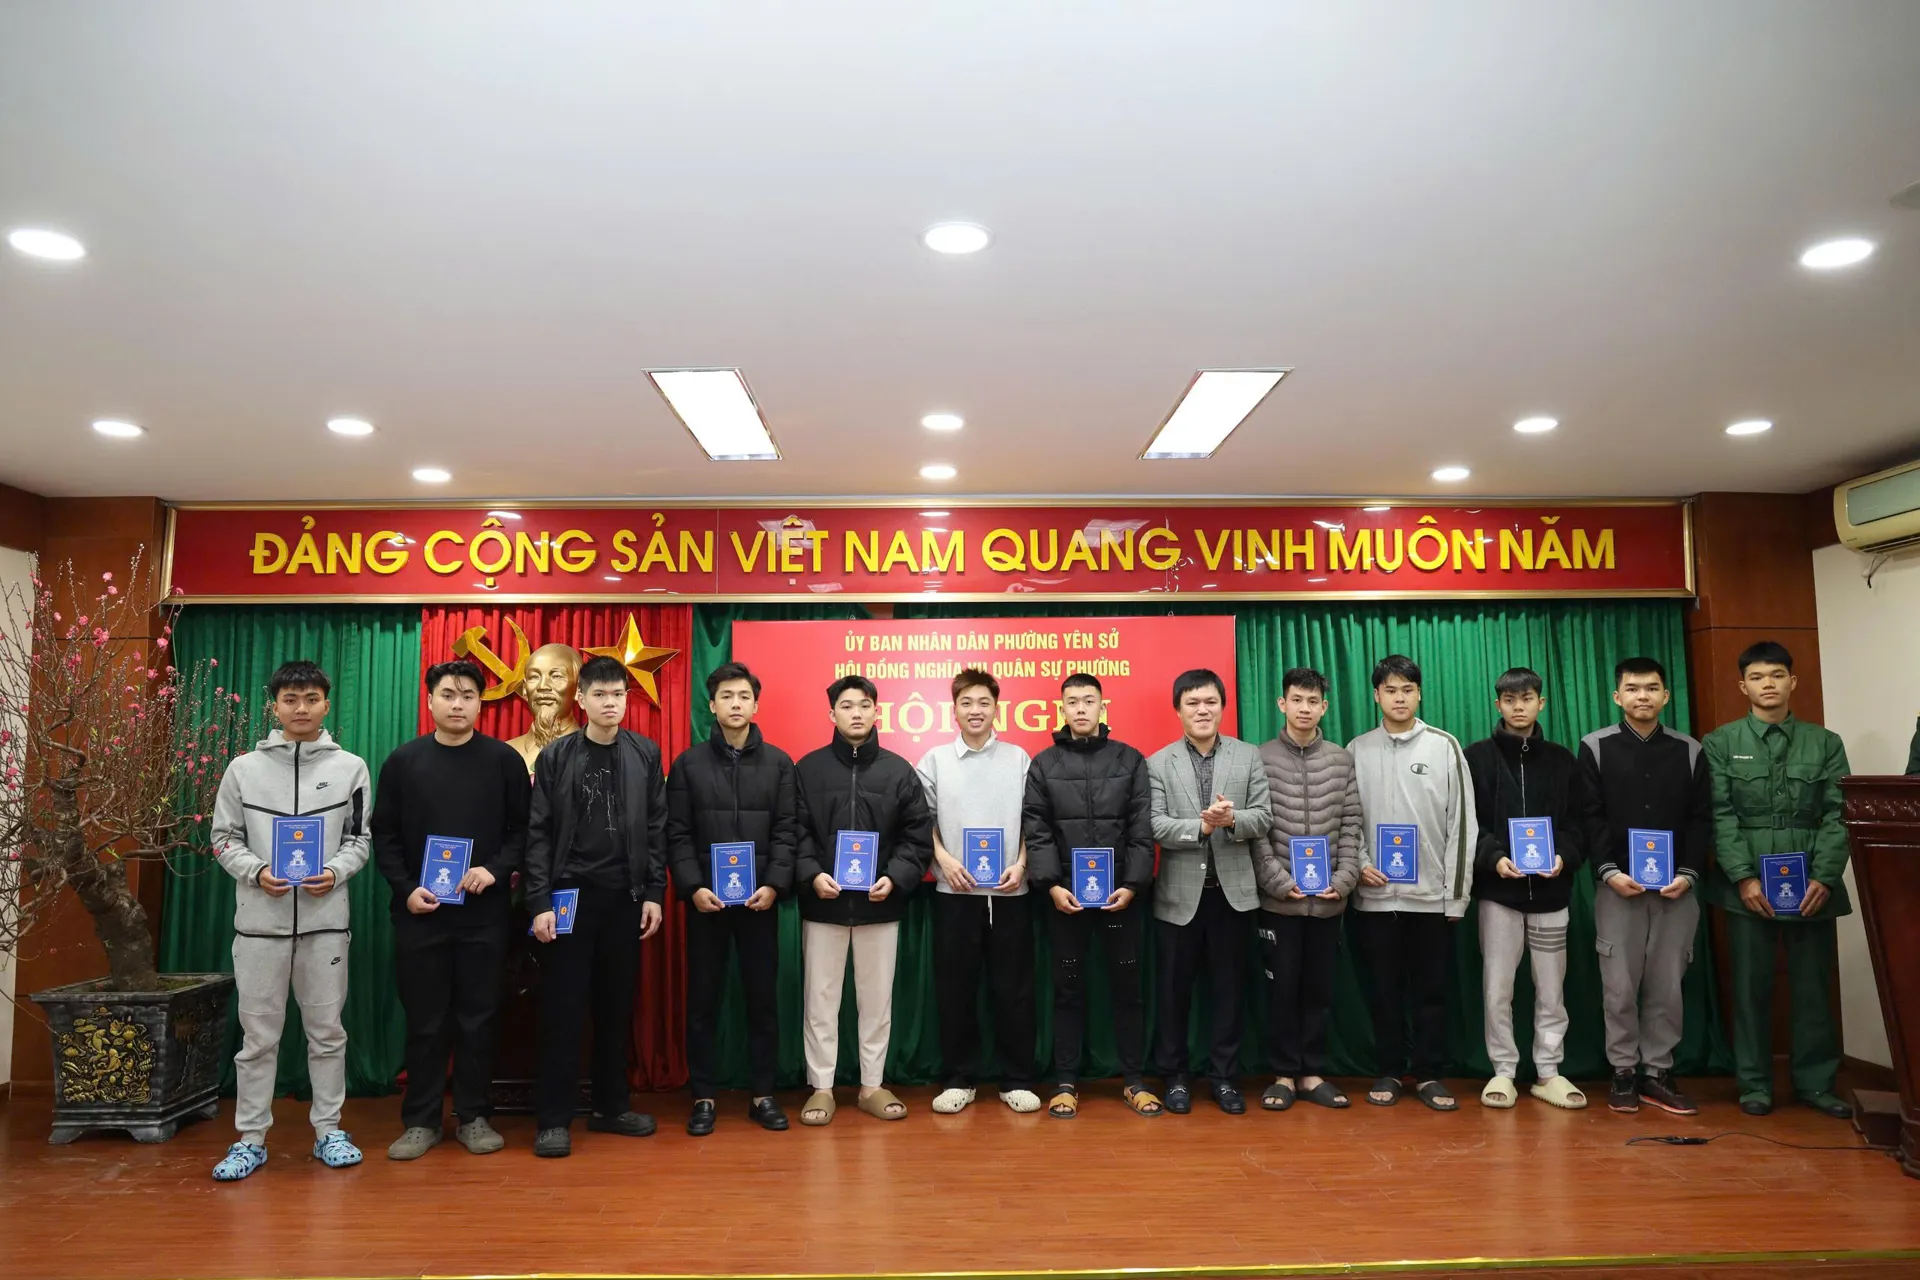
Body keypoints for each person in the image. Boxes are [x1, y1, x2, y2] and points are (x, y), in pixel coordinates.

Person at [208, 660, 372, 1181]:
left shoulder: (351, 768)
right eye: (291, 699)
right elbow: (222, 838)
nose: (301, 708)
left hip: (326, 927)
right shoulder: (242, 770)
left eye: (311, 699)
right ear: (274, 706)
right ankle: (250, 1140)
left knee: (327, 1034)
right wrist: (256, 872)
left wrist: (335, 871)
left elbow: (360, 839)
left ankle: (329, 1131)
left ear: (327, 704)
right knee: (257, 1039)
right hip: (259, 928)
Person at [372, 659, 529, 1159]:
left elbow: (523, 831)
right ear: (430, 701)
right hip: (421, 913)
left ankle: (474, 1115)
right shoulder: (403, 761)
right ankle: (420, 1121)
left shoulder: (503, 761)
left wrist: (495, 870)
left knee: (478, 1017)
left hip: (484, 914)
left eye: (467, 695)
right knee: (425, 1019)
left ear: (481, 703)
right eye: (447, 694)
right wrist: (406, 889)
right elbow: (384, 835)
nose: (457, 704)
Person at [524, 654, 668, 1158]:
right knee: (562, 1011)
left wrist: (654, 893)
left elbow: (656, 828)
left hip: (624, 898)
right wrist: (538, 900)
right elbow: (538, 833)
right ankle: (553, 1120)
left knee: (616, 1007)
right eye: (600, 694)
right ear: (581, 700)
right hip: (568, 898)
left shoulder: (645, 753)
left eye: (618, 694)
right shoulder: (557, 756)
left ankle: (611, 1107)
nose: (611, 703)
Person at [1703, 640, 1854, 1119]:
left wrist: (1825, 876)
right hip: (1746, 885)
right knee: (1750, 988)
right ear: (1742, 685)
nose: (1767, 684)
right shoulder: (1720, 743)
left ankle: (1816, 1084)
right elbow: (1719, 814)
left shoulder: (1825, 743)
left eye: (1776, 675)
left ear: (1793, 681)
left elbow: (1840, 813)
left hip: (1811, 883)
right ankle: (1754, 1084)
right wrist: (1743, 877)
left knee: (1814, 989)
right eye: (1757, 677)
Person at [793, 675, 933, 1125]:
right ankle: (822, 1087)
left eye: (864, 705)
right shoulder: (808, 769)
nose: (856, 713)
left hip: (880, 904)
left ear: (877, 712)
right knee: (820, 1001)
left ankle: (872, 1085)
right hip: (823, 904)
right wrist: (811, 875)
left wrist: (895, 877)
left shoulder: (899, 771)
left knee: (876, 1001)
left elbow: (917, 835)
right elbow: (794, 831)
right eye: (847, 706)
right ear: (831, 714)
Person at [665, 661, 796, 1135]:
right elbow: (676, 833)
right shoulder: (688, 764)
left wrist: (774, 884)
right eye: (727, 696)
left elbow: (787, 831)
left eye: (743, 696)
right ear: (712, 705)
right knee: (703, 1002)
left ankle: (763, 1094)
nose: (736, 704)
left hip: (760, 902)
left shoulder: (779, 764)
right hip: (707, 904)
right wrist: (693, 887)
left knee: (762, 1001)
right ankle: (703, 1096)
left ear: (756, 705)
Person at [1024, 672, 1161, 1120]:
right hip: (1066, 901)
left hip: (1121, 899)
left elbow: (1141, 828)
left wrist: (1133, 885)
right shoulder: (1044, 764)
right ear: (1061, 708)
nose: (1080, 708)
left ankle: (1135, 1081)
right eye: (1072, 702)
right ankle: (1065, 1082)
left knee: (1128, 989)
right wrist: (1052, 885)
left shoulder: (1129, 759)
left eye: (1088, 700)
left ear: (1103, 706)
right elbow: (1037, 831)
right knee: (1067, 989)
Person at [1577, 657, 1709, 1116]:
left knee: (1667, 985)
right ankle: (1623, 1070)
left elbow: (1702, 819)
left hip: (1676, 890)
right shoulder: (1595, 747)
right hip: (1618, 888)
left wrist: (1688, 873)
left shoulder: (1690, 750)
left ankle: (1657, 1071)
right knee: (1619, 985)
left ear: (1666, 696)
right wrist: (1609, 871)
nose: (1642, 696)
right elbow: (1589, 815)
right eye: (1632, 689)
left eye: (1652, 688)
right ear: (1618, 697)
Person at [1347, 654, 1475, 1112]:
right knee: (1383, 991)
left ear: (1419, 694)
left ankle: (1428, 1073)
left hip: (1430, 900)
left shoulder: (1444, 746)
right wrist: (1359, 864)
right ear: (1376, 695)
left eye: (1407, 690)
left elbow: (1463, 824)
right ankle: (1388, 1069)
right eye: (1390, 690)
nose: (1399, 698)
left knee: (1431, 993)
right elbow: (1347, 819)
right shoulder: (1357, 749)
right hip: (1375, 898)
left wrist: (1455, 897)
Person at [1147, 668, 1272, 1115]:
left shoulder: (1248, 756)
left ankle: (1224, 1078)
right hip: (1178, 899)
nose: (1202, 710)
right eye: (1193, 703)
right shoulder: (1158, 762)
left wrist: (1232, 820)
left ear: (1222, 706)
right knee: (1173, 995)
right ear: (1178, 710)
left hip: (1233, 897)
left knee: (1229, 992)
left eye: (1210, 702)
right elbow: (1156, 825)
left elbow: (1264, 816)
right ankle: (1175, 1078)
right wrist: (1201, 827)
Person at [1465, 667, 1591, 1110]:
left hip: (1551, 897)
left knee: (1552, 989)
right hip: (1499, 896)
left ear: (1542, 703)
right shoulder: (1476, 758)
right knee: (1497, 988)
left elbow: (1579, 823)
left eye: (1527, 698)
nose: (1519, 707)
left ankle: (1548, 1071)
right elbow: (1466, 823)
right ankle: (1502, 1070)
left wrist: (1563, 856)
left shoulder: (1562, 760)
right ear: (1497, 704)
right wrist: (1494, 858)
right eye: (1510, 700)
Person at [917, 668, 1039, 1115]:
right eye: (966, 703)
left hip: (1010, 894)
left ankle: (1017, 1079)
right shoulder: (935, 760)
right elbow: (920, 821)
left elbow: (1034, 820)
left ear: (996, 709)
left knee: (1015, 990)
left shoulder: (1018, 758)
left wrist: (1022, 865)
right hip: (954, 894)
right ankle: (958, 1079)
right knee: (956, 990)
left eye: (984, 702)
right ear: (954, 710)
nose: (975, 710)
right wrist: (944, 861)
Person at [1253, 667, 1361, 1111]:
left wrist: (1345, 878)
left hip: (1328, 902)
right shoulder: (1259, 758)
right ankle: (1282, 1074)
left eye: (1312, 701)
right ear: (1282, 703)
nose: (1304, 708)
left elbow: (1351, 824)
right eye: (1296, 699)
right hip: (1279, 904)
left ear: (1324, 707)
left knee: (1319, 989)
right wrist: (1279, 883)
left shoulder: (1341, 760)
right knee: (1281, 990)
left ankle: (1312, 1073)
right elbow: (1255, 833)